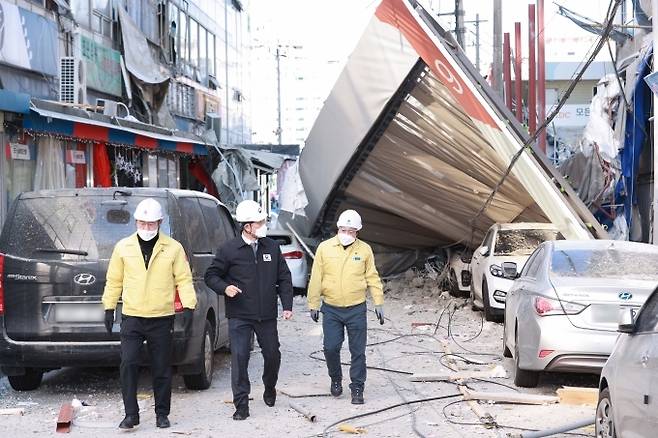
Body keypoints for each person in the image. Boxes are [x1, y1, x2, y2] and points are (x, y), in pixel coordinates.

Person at [102, 198, 197, 430]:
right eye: (142, 223)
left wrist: (189, 306)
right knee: (128, 363)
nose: (146, 228)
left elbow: (183, 279)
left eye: (151, 224)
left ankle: (162, 414)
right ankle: (131, 415)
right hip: (132, 316)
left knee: (162, 367)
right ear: (136, 222)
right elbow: (114, 280)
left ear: (160, 223)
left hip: (161, 317)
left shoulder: (173, 248)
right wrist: (109, 306)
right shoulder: (123, 247)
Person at [204, 199, 293, 421]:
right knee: (240, 358)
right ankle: (241, 404)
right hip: (240, 315)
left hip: (266, 315)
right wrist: (225, 288)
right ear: (247, 226)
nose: (264, 225)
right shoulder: (229, 250)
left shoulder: (271, 247)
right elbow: (211, 276)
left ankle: (269, 386)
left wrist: (287, 305)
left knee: (273, 354)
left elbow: (284, 277)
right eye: (260, 222)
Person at [307, 209, 384, 405]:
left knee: (358, 351)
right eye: (343, 229)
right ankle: (335, 378)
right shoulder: (324, 248)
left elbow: (372, 277)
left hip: (356, 309)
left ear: (357, 232)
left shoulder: (364, 250)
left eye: (350, 231)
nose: (346, 234)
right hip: (331, 308)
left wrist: (378, 302)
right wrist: (313, 303)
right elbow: (316, 277)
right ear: (338, 228)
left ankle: (357, 388)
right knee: (330, 347)